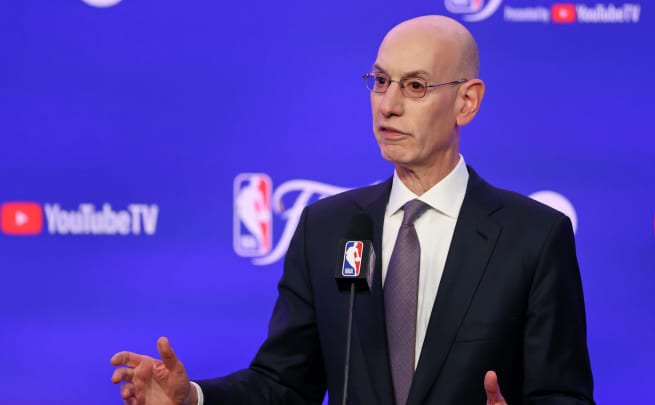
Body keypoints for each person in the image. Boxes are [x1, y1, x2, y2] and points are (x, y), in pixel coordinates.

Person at [111, 15, 594, 405]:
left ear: (466, 102)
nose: (388, 105)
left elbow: (562, 393)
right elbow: (283, 384)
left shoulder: (532, 237)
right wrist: (192, 399)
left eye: (416, 86)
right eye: (380, 81)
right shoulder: (329, 228)